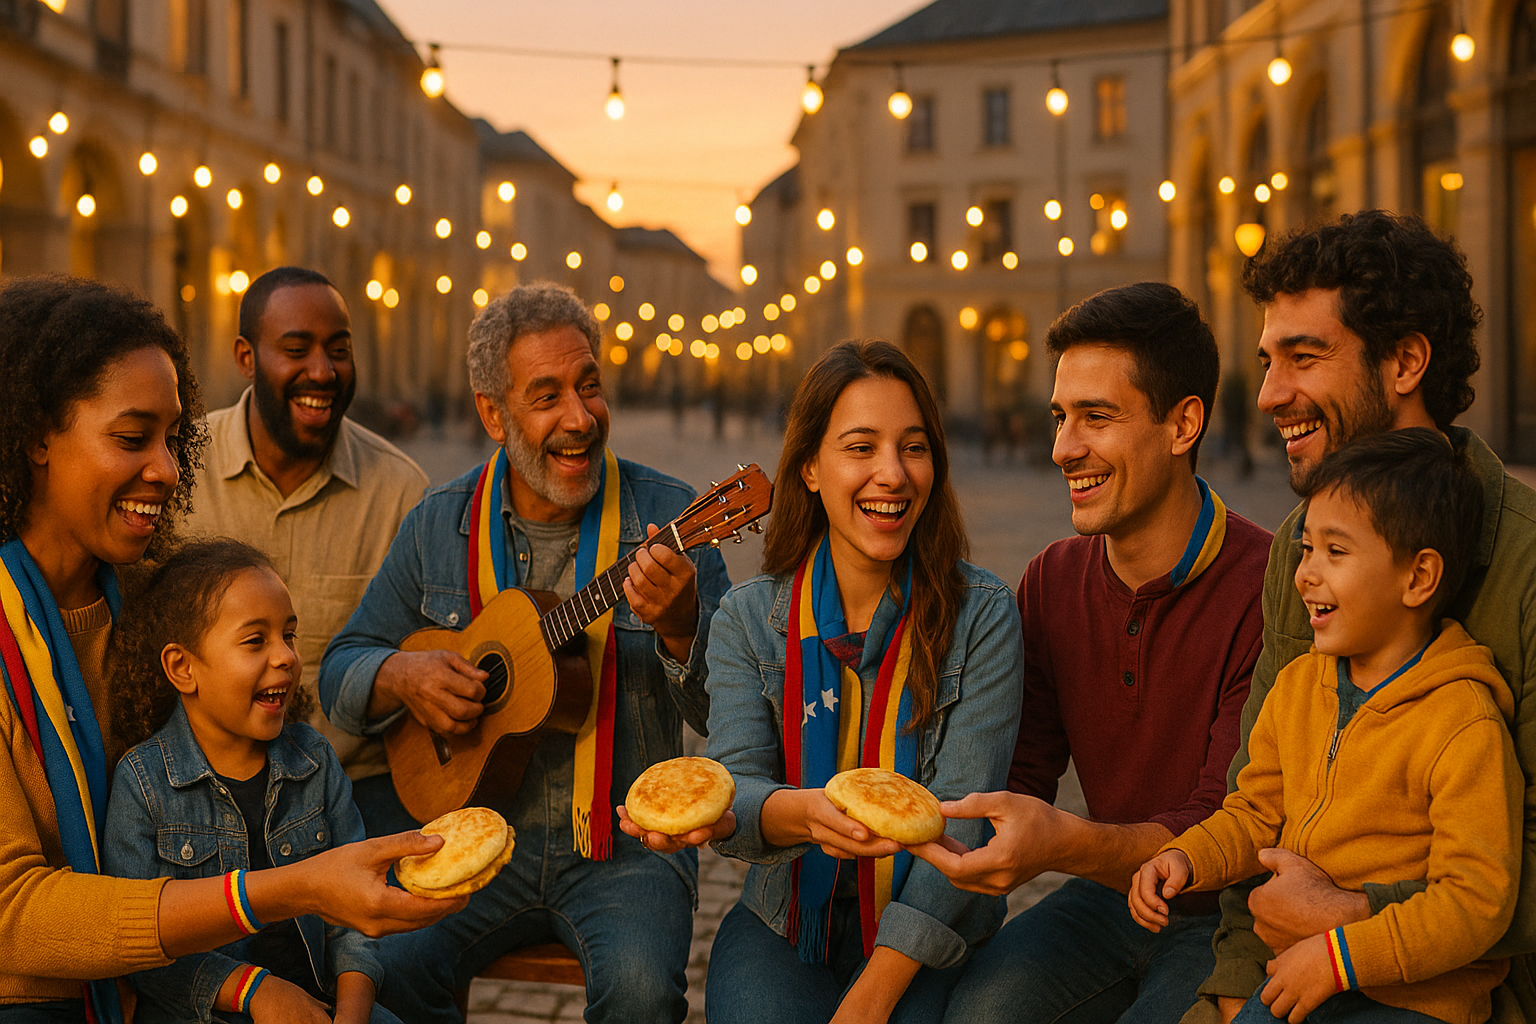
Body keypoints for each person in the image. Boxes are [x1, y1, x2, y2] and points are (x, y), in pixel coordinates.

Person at [0, 276, 456, 1024]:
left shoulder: (155, 606)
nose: (169, 471)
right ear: (36, 436)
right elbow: (13, 915)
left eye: (173, 441)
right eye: (130, 438)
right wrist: (294, 892)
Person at [319, 282, 730, 1024]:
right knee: (394, 968)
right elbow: (341, 670)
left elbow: (729, 714)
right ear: (491, 413)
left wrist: (680, 628)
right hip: (473, 836)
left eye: (590, 387)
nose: (579, 418)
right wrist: (401, 673)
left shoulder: (670, 520)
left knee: (641, 993)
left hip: (622, 847)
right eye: (546, 397)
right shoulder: (439, 524)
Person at [1182, 211, 1536, 1024]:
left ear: (1407, 360)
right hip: (1287, 977)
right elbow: (1263, 804)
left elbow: (1502, 875)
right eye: (1268, 361)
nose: (1270, 394)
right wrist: (1236, 988)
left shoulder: (1524, 565)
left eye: (1304, 358)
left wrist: (1353, 919)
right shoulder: (1295, 559)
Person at [909, 282, 1272, 1023]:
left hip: (1233, 916)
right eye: (1060, 417)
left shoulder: (1267, 584)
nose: (1062, 448)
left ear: (1184, 424)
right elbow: (1023, 770)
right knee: (974, 1014)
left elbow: (1220, 814)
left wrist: (1062, 846)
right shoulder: (1051, 578)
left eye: (1096, 418)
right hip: (1107, 902)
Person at [667, 339, 1024, 1024]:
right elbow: (734, 795)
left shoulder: (983, 616)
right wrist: (800, 814)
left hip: (928, 939)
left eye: (913, 448)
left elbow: (964, 828)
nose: (891, 474)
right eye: (861, 448)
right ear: (809, 467)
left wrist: (870, 998)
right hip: (786, 926)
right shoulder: (749, 618)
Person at [1135, 428, 1518, 1024]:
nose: (1306, 574)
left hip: (1415, 1000)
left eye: (1335, 553)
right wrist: (1187, 858)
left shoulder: (1462, 721)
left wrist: (1342, 956)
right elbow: (1254, 813)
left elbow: (1475, 903)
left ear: (1418, 578)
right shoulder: (1297, 688)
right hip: (1297, 971)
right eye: (1305, 548)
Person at [103, 540, 399, 1024]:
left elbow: (354, 920)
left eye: (290, 635)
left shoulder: (316, 762)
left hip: (319, 1004)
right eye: (255, 640)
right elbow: (145, 953)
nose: (285, 656)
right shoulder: (143, 784)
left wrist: (353, 1010)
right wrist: (256, 993)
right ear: (184, 668)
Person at [182, 266, 427, 778]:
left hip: (354, 795)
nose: (323, 371)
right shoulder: (180, 470)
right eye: (297, 350)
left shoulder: (402, 494)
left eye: (339, 350)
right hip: (198, 795)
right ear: (246, 357)